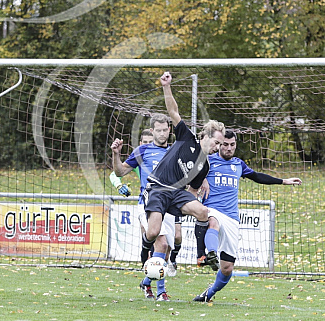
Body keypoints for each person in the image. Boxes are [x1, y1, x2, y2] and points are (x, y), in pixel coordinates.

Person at [137, 71, 225, 300]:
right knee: (154, 233)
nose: (218, 147)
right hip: (158, 187)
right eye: (216, 142)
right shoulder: (187, 138)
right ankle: (144, 253)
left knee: (202, 211)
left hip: (176, 194)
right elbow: (173, 112)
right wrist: (166, 87)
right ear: (205, 136)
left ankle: (201, 254)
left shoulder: (204, 167)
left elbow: (193, 193)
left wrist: (185, 210)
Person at [193, 130, 302, 302]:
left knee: (227, 268)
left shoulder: (238, 164)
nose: (229, 148)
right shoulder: (207, 160)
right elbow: (192, 163)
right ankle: (210, 254)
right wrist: (202, 178)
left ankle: (208, 294)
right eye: (225, 145)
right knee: (212, 221)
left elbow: (257, 176)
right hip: (212, 209)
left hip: (232, 218)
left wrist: (284, 181)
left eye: (232, 145)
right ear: (219, 145)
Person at [111, 120, 177, 300]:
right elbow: (119, 172)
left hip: (169, 205)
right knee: (160, 244)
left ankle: (147, 282)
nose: (162, 133)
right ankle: (161, 292)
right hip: (147, 203)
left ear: (169, 130)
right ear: (152, 130)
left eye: (165, 130)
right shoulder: (142, 151)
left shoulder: (175, 150)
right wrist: (116, 155)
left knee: (167, 247)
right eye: (158, 130)